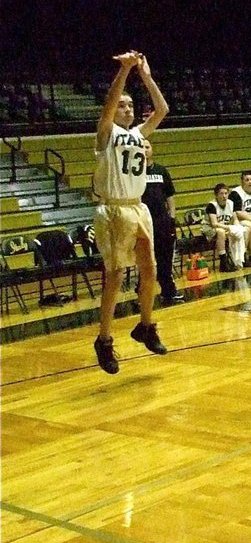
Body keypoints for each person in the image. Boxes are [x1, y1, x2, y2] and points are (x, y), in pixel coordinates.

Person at [92, 51, 168, 375]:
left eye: (130, 105)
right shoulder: (106, 134)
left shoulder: (138, 135)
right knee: (116, 276)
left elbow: (163, 109)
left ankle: (146, 326)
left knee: (150, 269)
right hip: (113, 209)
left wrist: (146, 77)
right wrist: (124, 71)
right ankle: (104, 339)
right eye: (123, 105)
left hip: (138, 207)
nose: (126, 108)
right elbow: (109, 104)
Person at [141, 139, 183, 304]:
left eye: (147, 147)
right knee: (145, 260)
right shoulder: (133, 172)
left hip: (162, 222)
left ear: (152, 150)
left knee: (165, 258)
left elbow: (170, 195)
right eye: (141, 147)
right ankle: (142, 292)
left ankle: (168, 290)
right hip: (143, 222)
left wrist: (172, 217)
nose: (144, 150)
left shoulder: (161, 171)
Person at [203, 183, 251, 270]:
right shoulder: (212, 205)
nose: (224, 196)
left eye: (226, 193)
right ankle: (223, 262)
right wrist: (229, 228)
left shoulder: (231, 203)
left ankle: (243, 257)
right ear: (216, 195)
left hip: (225, 227)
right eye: (221, 193)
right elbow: (214, 223)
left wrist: (237, 226)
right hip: (209, 229)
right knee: (220, 232)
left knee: (245, 230)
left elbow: (235, 219)